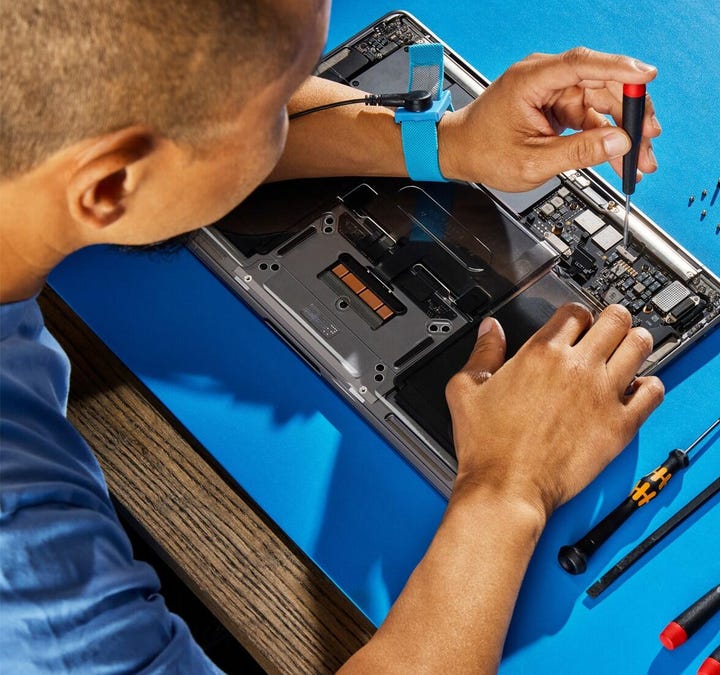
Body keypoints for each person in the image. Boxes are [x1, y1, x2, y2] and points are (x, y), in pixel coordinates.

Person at [0, 1, 664, 672]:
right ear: (111, 184)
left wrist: (442, 139)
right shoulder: (26, 552)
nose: (305, 105)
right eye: (276, 107)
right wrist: (508, 487)